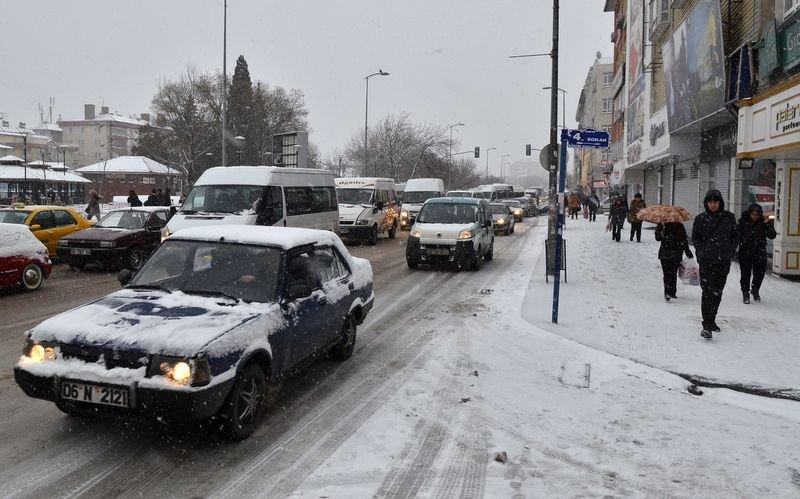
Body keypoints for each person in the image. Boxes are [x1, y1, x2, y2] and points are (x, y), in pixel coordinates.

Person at [692, 189, 738, 339]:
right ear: (706, 203)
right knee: (707, 292)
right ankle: (707, 325)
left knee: (717, 292)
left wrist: (729, 251)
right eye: (710, 202)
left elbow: (735, 236)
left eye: (716, 202)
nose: (713, 205)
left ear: (720, 202)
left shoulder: (729, 218)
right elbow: (695, 238)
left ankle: (712, 319)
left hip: (722, 262)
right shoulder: (700, 219)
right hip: (706, 262)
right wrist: (701, 252)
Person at [737, 203, 776, 304]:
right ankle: (745, 292)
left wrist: (768, 224)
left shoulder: (763, 223)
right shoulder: (742, 222)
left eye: (757, 214)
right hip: (745, 252)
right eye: (753, 214)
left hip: (760, 252)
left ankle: (755, 290)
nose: (755, 216)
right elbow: (736, 236)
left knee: (759, 273)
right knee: (745, 273)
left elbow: (772, 235)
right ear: (749, 213)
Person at [655, 222, 693, 301]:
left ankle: (672, 292)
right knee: (667, 273)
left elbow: (683, 239)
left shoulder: (679, 225)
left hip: (676, 253)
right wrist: (662, 232)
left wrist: (687, 250)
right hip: (665, 253)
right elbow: (657, 238)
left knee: (673, 273)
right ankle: (668, 292)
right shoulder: (662, 225)